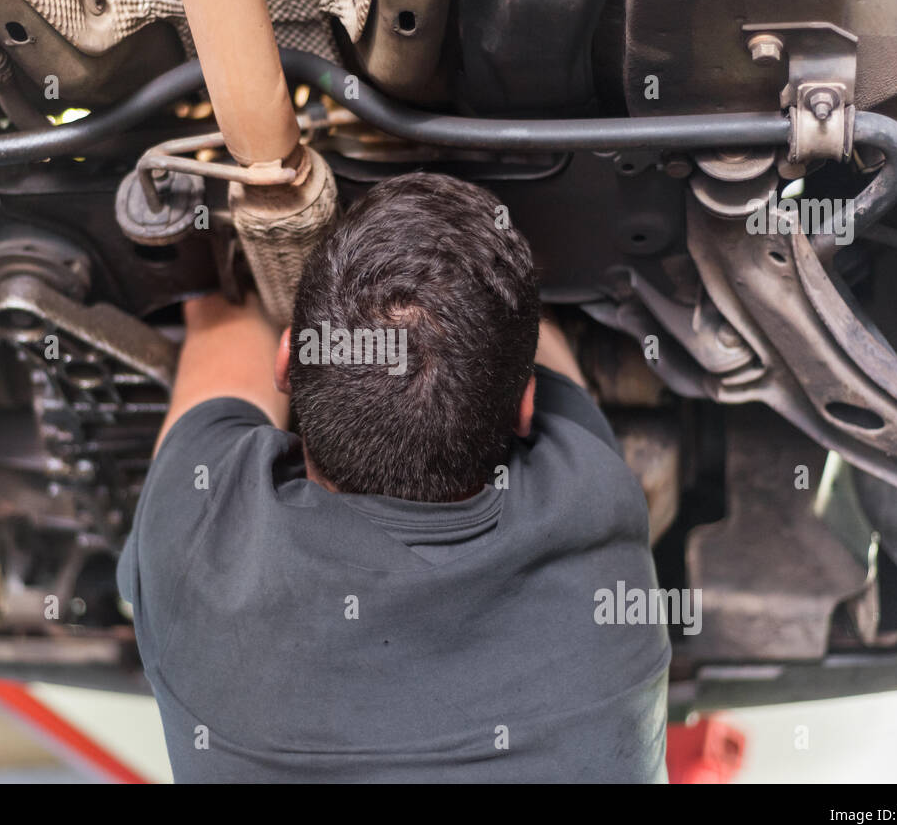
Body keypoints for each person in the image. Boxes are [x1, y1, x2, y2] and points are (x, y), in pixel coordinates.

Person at [118, 172, 670, 782]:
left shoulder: (196, 551)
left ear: (286, 365)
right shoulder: (596, 511)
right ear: (523, 407)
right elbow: (543, 359)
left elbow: (222, 324)